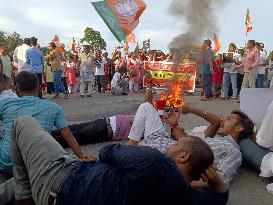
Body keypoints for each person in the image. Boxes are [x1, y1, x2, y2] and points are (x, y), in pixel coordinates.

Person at [11, 115, 228, 205]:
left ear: (183, 156)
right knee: (11, 184)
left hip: (59, 181)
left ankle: (24, 198)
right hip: (68, 181)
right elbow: (221, 197)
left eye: (177, 145)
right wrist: (212, 179)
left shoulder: (153, 161)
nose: (172, 144)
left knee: (23, 123)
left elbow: (107, 151)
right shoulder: (185, 198)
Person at [127, 85, 254, 187]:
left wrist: (181, 182)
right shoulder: (216, 138)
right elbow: (185, 141)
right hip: (164, 140)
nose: (224, 120)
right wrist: (174, 124)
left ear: (239, 128)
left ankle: (128, 154)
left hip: (165, 152)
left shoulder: (233, 151)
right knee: (146, 107)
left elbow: (221, 180)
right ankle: (130, 150)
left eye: (229, 119)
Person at [0, 71, 91, 174]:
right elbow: (68, 136)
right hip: (37, 164)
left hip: (5, 163)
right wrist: (81, 156)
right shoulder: (53, 107)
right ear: (39, 89)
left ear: (16, 89)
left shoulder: (5, 104)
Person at [51, 115, 134, 148]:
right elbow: (132, 120)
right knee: (71, 130)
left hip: (105, 129)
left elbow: (131, 120)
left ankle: (44, 141)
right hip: (104, 124)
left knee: (71, 135)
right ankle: (45, 135)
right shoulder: (144, 120)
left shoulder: (145, 127)